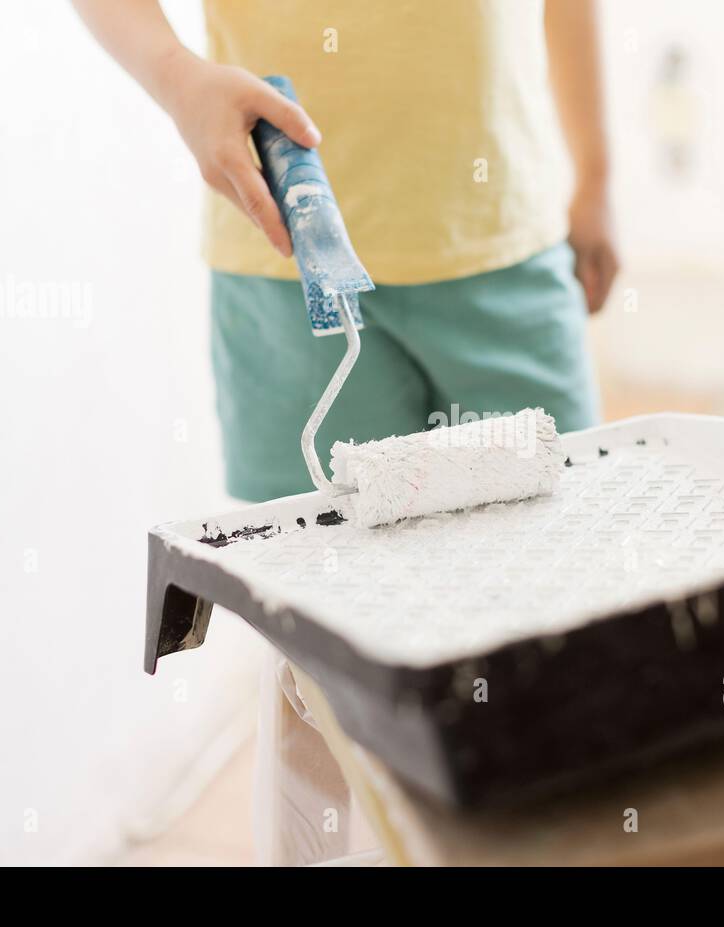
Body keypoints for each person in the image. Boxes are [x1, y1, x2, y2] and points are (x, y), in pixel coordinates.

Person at [74, 0, 617, 863]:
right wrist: (178, 81)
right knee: (322, 651)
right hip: (281, 259)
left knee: (560, 605)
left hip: (503, 240)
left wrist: (597, 173)